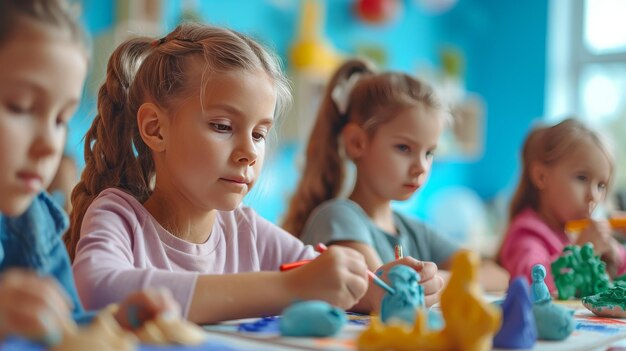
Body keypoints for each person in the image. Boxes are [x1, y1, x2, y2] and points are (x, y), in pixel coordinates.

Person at [64, 23, 430, 324]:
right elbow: (97, 289)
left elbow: (331, 281)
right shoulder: (119, 216)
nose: (249, 153)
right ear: (156, 129)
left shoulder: (249, 233)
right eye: (223, 126)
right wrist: (288, 288)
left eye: (259, 134)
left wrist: (387, 286)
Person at [0, 0, 178, 345]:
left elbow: (63, 328)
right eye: (20, 106)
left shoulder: (33, 220)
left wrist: (116, 322)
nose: (49, 145)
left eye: (60, 120)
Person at [282, 59, 508, 291]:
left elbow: (498, 275)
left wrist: (435, 280)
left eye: (429, 152)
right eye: (404, 148)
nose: (421, 167)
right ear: (357, 143)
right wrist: (452, 282)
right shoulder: (336, 218)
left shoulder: (416, 231)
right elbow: (386, 292)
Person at [498, 118, 626, 292]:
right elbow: (534, 283)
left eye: (601, 185)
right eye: (582, 177)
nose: (594, 196)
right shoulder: (526, 233)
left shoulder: (574, 234)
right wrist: (580, 254)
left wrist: (614, 256)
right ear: (542, 176)